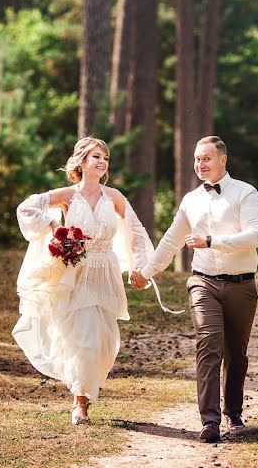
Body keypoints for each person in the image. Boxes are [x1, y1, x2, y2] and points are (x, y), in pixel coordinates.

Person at [130, 136, 258, 443]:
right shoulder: (191, 200)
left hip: (242, 285)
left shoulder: (246, 193)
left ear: (223, 160)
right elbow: (171, 240)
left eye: (206, 158)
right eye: (196, 159)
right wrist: (146, 273)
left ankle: (233, 413)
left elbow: (254, 236)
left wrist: (212, 242)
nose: (199, 165)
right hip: (202, 281)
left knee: (236, 353)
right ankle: (210, 421)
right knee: (209, 343)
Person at [12, 136, 154, 426]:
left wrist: (140, 267)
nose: (102, 162)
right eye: (96, 157)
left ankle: (86, 387)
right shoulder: (68, 195)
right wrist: (54, 226)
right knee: (84, 338)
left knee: (104, 341)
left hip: (106, 272)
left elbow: (136, 231)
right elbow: (26, 208)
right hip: (76, 271)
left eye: (105, 158)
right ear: (82, 162)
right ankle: (81, 404)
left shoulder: (114, 197)